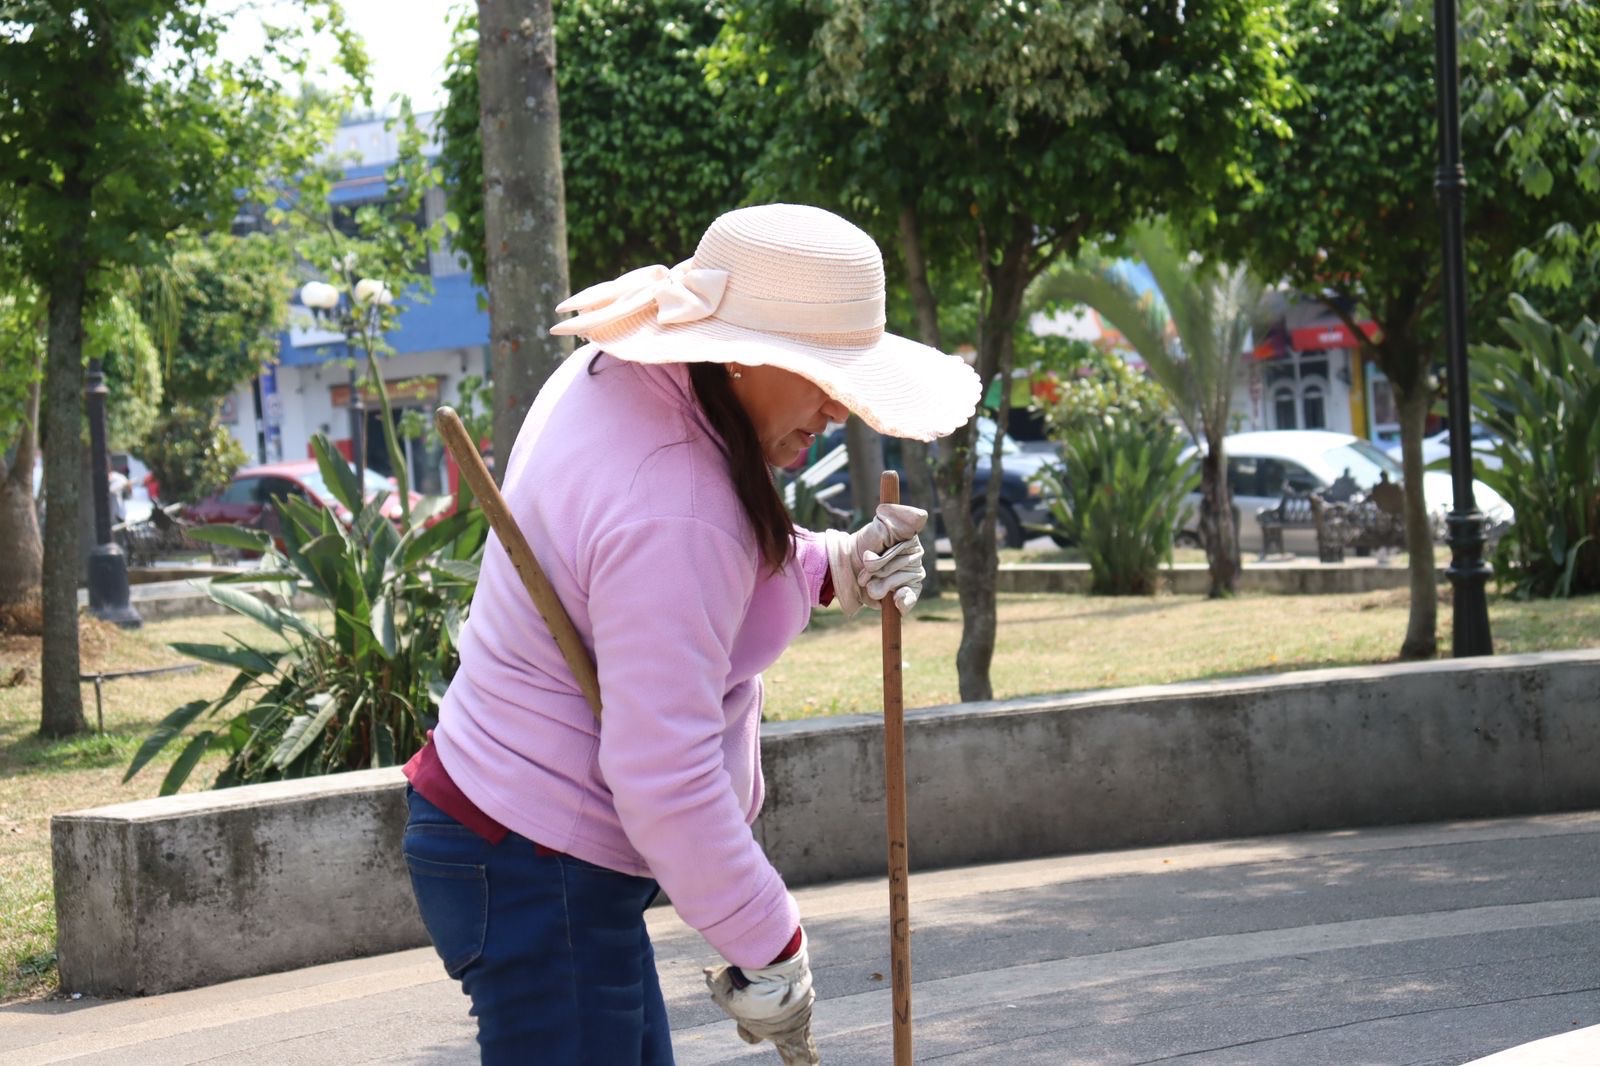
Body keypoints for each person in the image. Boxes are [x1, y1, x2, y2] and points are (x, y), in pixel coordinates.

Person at [401, 203, 981, 1064]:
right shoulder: (676, 497)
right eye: (822, 375)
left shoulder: (634, 381)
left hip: (522, 848)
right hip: (533, 860)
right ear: (742, 352)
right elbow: (662, 772)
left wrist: (837, 564)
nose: (836, 409)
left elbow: (675, 566)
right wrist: (772, 942)